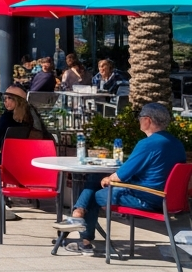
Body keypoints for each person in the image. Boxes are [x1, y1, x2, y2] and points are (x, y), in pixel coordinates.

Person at [62, 103, 186, 255]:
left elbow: (120, 176)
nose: (139, 120)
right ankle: (78, 214)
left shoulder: (148, 144)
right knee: (95, 179)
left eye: (140, 117)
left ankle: (84, 238)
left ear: (147, 120)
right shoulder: (177, 144)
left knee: (94, 194)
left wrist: (109, 179)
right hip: (165, 199)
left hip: (146, 199)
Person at [0, 85, 35, 151]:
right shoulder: (30, 117)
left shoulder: (7, 117)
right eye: (4, 98)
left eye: (9, 98)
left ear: (18, 100)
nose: (6, 101)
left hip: (1, 151)